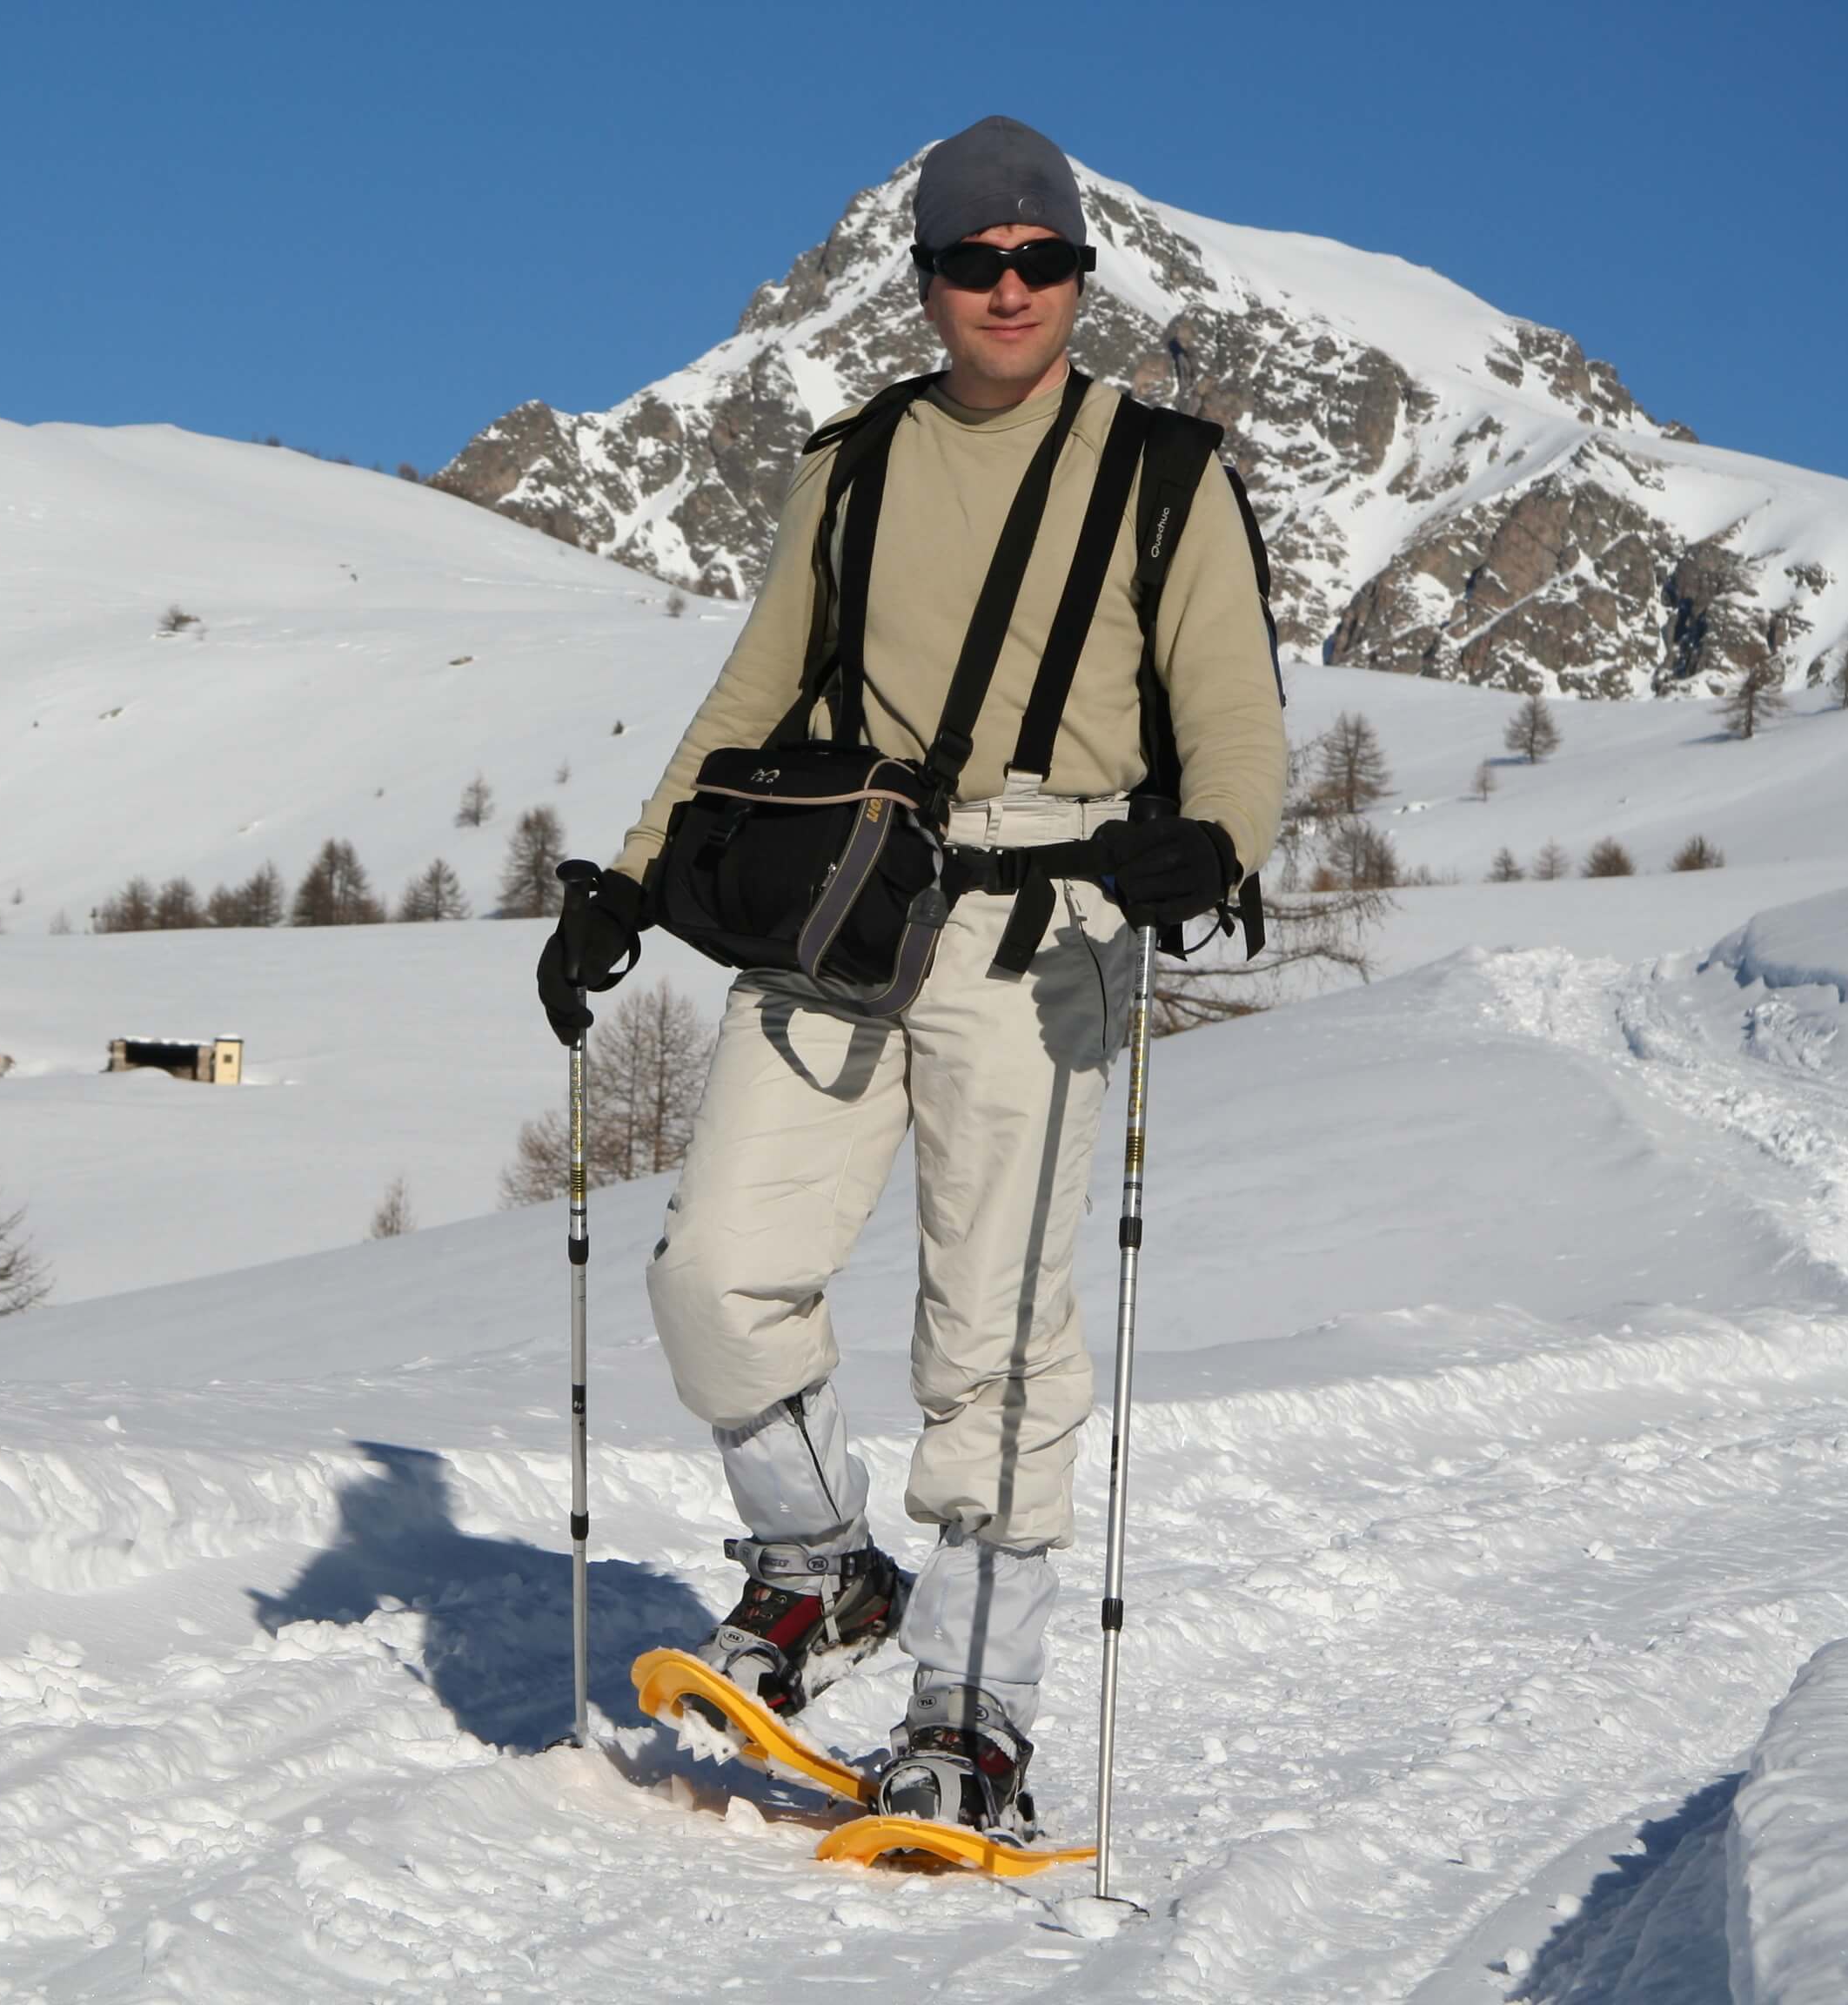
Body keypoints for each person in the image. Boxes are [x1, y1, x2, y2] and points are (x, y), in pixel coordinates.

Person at [537, 116, 1284, 1837]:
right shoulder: (853, 464)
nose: (1008, 288)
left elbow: (1237, 723)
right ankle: (819, 1569)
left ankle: (975, 1714)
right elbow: (749, 698)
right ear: (929, 275)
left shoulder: (1166, 475)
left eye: (1042, 260)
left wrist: (1216, 842)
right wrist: (638, 880)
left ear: (1080, 276)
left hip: (1057, 927)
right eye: (974, 258)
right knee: (714, 1272)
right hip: (843, 913)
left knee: (1000, 1345)